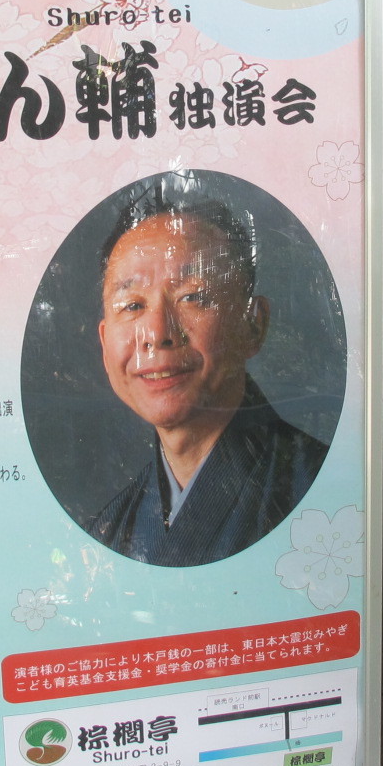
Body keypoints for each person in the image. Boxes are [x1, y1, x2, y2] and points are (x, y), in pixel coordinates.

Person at [88, 184, 329, 566]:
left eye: (193, 296)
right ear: (104, 343)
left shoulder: (322, 496)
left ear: (252, 324)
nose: (156, 333)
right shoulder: (110, 529)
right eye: (132, 305)